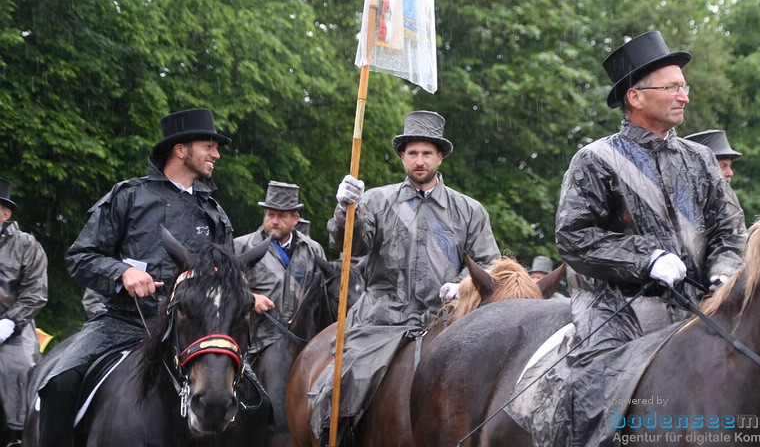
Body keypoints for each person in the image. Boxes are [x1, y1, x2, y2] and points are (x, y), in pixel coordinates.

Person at [555, 31, 748, 447]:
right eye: (674, 87)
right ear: (636, 97)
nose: (685, 97)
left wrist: (724, 274)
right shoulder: (595, 159)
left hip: (700, 302)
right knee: (594, 395)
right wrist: (647, 259)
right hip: (616, 308)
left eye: (685, 86)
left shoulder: (699, 159)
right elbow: (574, 237)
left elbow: (730, 230)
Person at [32, 107, 267, 447]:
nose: (216, 154)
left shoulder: (215, 214)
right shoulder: (127, 196)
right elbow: (79, 257)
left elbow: (224, 277)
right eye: (208, 145)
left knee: (261, 405)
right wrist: (122, 272)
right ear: (180, 150)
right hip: (123, 322)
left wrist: (244, 294)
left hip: (193, 331)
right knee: (59, 383)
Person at [309, 110, 501, 446]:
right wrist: (344, 210)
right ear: (402, 157)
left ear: (440, 157)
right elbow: (349, 244)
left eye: (427, 153)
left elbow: (489, 265)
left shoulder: (469, 210)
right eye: (412, 153)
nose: (420, 161)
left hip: (445, 320)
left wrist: (463, 285)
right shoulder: (376, 201)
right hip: (381, 319)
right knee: (344, 380)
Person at [233, 180, 327, 353]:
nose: (274, 221)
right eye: (270, 214)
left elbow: (323, 297)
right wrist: (251, 298)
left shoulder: (313, 250)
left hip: (302, 346)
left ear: (296, 219)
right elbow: (222, 292)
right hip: (253, 344)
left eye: (282, 216)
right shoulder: (242, 247)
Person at [0, 178, 48, 447]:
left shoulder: (26, 246)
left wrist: (7, 324)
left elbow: (36, 293)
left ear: (5, 214)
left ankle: (19, 434)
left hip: (13, 329)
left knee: (18, 367)